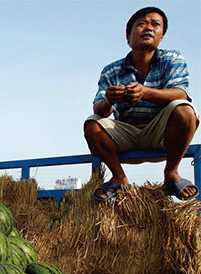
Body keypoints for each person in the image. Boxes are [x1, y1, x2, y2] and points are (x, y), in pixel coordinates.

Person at [84, 6, 199, 202]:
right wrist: (109, 100)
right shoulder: (112, 70)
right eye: (142, 24)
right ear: (128, 37)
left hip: (160, 131)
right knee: (92, 123)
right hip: (126, 131)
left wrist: (146, 93)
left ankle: (171, 173)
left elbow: (181, 92)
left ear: (161, 36)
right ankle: (119, 176)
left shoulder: (172, 59)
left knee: (185, 110)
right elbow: (99, 108)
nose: (149, 28)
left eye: (155, 25)